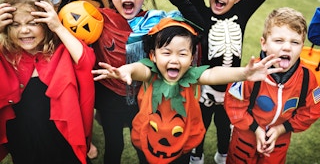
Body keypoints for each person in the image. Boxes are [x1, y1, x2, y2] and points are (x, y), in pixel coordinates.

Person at [154, 0, 310, 163]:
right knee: (200, 124)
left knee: (226, 126)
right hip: (206, 87)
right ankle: (196, 156)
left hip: (233, 89)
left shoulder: (242, 12)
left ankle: (223, 154)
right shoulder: (201, 15)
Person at [91, 17, 283, 164]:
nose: (174, 59)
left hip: (182, 144)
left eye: (182, 54)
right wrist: (126, 70)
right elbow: (139, 69)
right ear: (153, 56)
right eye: (166, 53)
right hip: (148, 138)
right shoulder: (152, 72)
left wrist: (244, 73)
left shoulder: (191, 76)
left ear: (191, 58)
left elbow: (213, 74)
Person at [61, 0, 193, 164]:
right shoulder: (98, 20)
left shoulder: (156, 23)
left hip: (144, 98)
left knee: (143, 144)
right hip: (109, 98)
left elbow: (198, 26)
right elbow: (62, 22)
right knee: (114, 146)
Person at [0, 0, 96, 164]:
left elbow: (85, 60)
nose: (24, 30)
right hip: (24, 145)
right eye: (15, 24)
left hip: (62, 141)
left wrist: (58, 27)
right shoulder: (6, 56)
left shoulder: (60, 53)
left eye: (33, 23)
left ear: (46, 24)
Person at [224, 7, 320, 164]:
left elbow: (312, 111)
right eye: (279, 41)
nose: (287, 47)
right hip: (245, 138)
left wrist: (281, 129)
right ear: (264, 44)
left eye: (295, 42)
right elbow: (234, 104)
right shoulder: (250, 73)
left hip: (279, 141)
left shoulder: (308, 79)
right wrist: (255, 128)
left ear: (302, 46)